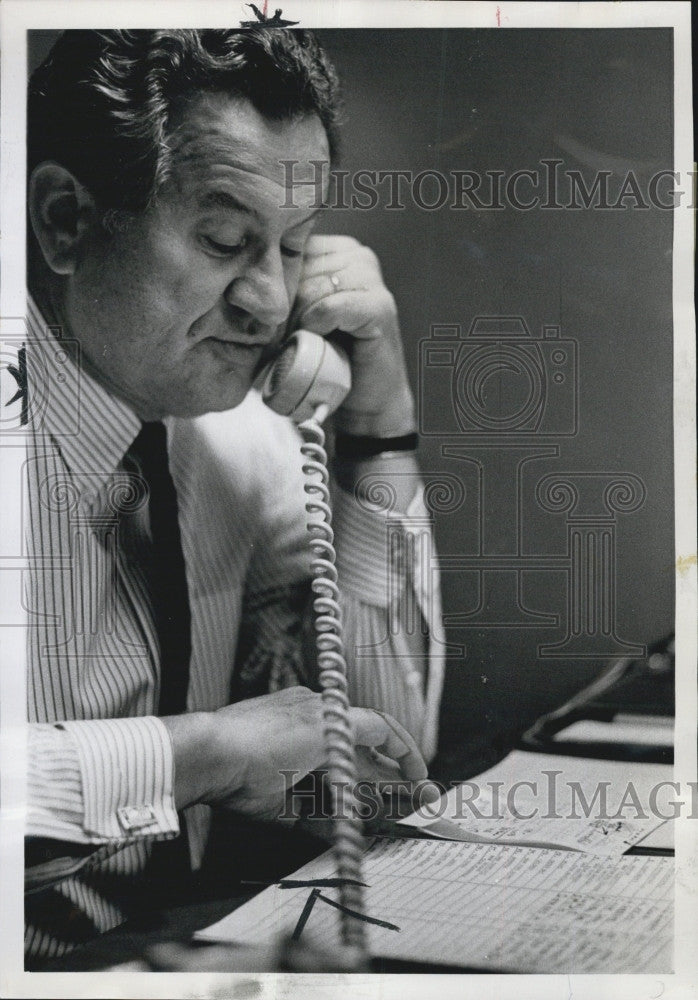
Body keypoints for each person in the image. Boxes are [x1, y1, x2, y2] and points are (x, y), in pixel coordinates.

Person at [22, 28, 444, 964]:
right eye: (224, 240)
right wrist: (203, 751)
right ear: (65, 219)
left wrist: (378, 419)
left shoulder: (245, 436)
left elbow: (384, 768)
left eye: (293, 248)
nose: (266, 302)